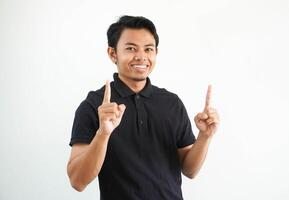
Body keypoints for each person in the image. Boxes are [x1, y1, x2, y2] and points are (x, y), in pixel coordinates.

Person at [67, 15, 220, 200]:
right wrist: (103, 133)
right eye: (131, 48)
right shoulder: (95, 105)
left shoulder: (171, 103)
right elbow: (77, 181)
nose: (141, 57)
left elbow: (190, 170)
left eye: (148, 49)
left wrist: (205, 136)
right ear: (112, 53)